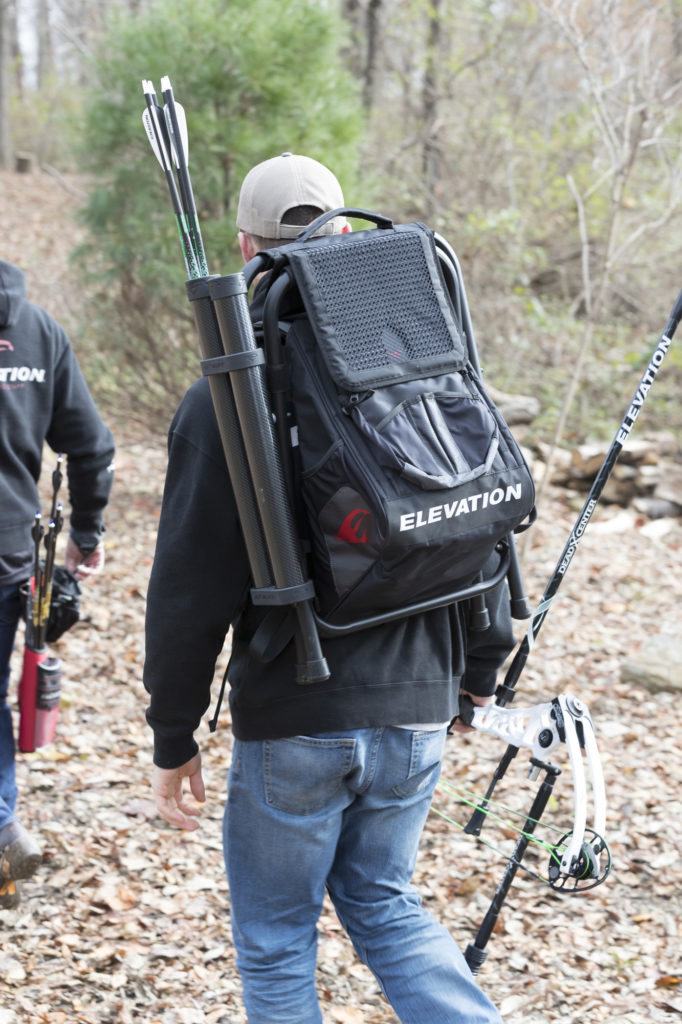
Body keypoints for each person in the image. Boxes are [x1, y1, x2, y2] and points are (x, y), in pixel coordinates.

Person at [144, 153, 513, 1024]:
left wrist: (173, 734)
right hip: (421, 700)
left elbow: (188, 591)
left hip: (297, 716)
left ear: (243, 249)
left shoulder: (226, 399)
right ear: (344, 238)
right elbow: (483, 527)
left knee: (276, 938)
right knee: (386, 904)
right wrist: (480, 673)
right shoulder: (422, 365)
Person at [0, 259, 115, 909]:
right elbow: (92, 446)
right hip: (12, 552)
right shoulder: (37, 330)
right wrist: (89, 533)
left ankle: (2, 834)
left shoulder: (40, 330)